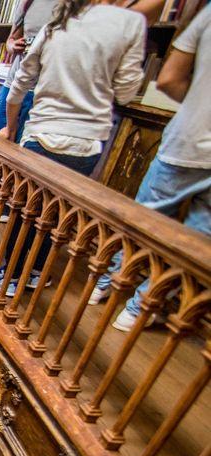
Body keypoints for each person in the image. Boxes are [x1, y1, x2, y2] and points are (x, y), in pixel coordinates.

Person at [0, 0, 145, 297]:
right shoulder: (129, 24)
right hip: (87, 141)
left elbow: (19, 86)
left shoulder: (55, 26)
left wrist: (11, 127)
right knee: (58, 210)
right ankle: (35, 271)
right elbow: (127, 92)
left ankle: (8, 274)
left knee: (24, 208)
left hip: (41, 133)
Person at [92, 3, 211, 332]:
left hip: (189, 139)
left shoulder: (206, 14)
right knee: (196, 243)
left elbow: (169, 78)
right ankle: (140, 308)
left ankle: (106, 283)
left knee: (143, 223)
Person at [0, 0, 60, 141]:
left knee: (23, 143)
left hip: (42, 90)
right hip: (13, 83)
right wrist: (12, 45)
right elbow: (11, 39)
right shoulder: (28, 3)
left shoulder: (72, 7)